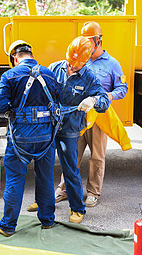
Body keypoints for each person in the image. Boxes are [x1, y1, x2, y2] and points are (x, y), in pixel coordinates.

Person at [27, 36, 109, 223]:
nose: (71, 68)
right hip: (48, 126)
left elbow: (104, 101)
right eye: (70, 64)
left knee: (70, 169)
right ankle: (42, 201)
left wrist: (93, 100)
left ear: (85, 62)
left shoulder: (89, 78)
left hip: (69, 129)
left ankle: (77, 209)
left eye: (76, 65)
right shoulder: (55, 68)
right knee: (42, 166)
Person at [55, 21, 128, 207]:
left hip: (99, 116)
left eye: (89, 41)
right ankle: (63, 189)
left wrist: (106, 97)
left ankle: (93, 192)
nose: (85, 45)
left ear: (98, 40)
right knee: (72, 154)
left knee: (97, 156)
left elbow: (123, 88)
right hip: (78, 116)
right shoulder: (81, 59)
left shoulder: (112, 64)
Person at [0, 40, 61, 236]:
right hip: (46, 137)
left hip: (20, 138)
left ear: (15, 58)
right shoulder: (49, 73)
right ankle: (47, 221)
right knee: (46, 179)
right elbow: (59, 101)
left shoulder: (10, 75)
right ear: (31, 54)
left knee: (15, 179)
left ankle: (7, 226)